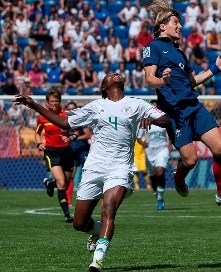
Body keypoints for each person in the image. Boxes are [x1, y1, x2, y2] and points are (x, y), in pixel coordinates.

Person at [12, 72, 171, 272]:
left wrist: (151, 118)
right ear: (104, 87)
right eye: (108, 75)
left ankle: (97, 261)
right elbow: (64, 123)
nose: (114, 74)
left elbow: (166, 119)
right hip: (94, 168)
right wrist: (34, 104)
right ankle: (95, 231)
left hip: (120, 167)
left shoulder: (137, 104)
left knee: (109, 209)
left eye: (116, 73)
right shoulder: (96, 106)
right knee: (79, 223)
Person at [142, 0, 221, 209]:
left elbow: (193, 81)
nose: (179, 26)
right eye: (175, 22)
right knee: (190, 161)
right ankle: (179, 178)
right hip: (175, 112)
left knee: (220, 148)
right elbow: (150, 79)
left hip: (194, 106)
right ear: (162, 26)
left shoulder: (180, 53)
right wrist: (163, 81)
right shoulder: (152, 47)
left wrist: (216, 68)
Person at [35, 89, 74, 223]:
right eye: (52, 101)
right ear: (48, 102)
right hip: (52, 151)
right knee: (62, 182)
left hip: (67, 151)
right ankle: (67, 214)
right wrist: (39, 143)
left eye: (56, 101)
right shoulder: (42, 117)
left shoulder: (65, 115)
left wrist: (71, 138)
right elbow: (37, 132)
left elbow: (75, 131)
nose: (54, 103)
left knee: (66, 183)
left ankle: (50, 184)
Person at [137, 100, 172, 210]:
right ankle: (157, 196)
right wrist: (143, 143)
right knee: (152, 176)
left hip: (162, 149)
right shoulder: (145, 122)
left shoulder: (164, 121)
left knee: (160, 173)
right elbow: (138, 137)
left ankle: (161, 197)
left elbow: (171, 132)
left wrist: (170, 144)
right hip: (149, 152)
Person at [65, 101, 93, 207]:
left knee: (90, 174)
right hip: (73, 151)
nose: (71, 110)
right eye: (69, 109)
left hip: (83, 150)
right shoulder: (66, 121)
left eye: (73, 108)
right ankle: (68, 201)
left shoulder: (81, 121)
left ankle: (100, 199)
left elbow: (88, 135)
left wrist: (74, 138)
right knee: (70, 175)